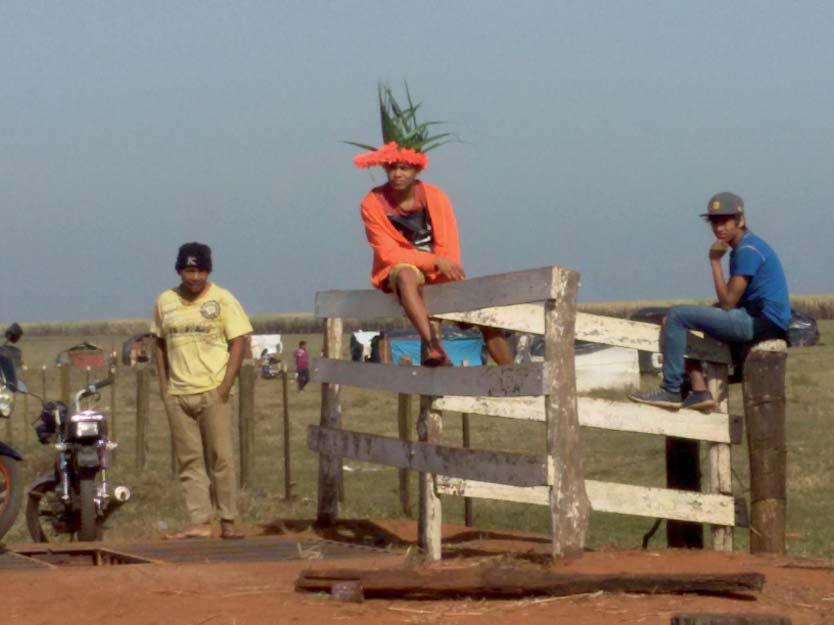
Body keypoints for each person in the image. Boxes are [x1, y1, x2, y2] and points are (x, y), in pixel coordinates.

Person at [349, 83, 513, 366]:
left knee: (484, 318)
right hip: (401, 271)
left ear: (416, 169)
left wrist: (441, 266)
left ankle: (515, 376)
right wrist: (434, 261)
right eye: (392, 168)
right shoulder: (372, 203)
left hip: (440, 272)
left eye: (404, 168)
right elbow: (388, 254)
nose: (397, 174)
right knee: (406, 275)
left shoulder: (436, 198)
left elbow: (449, 250)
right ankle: (432, 343)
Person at [629, 192, 790, 410]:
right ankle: (698, 389)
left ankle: (671, 390)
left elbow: (728, 302)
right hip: (760, 320)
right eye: (714, 222)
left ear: (740, 221)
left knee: (677, 315)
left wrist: (714, 261)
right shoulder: (746, 248)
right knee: (677, 322)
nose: (718, 228)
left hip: (759, 322)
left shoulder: (748, 250)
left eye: (724, 221)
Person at [151, 242, 253, 539]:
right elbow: (157, 342)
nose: (195, 277)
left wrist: (225, 387)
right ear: (180, 270)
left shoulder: (223, 299)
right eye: (189, 270)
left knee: (221, 457)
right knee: (189, 460)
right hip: (178, 393)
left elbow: (239, 340)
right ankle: (199, 520)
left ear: (209, 271)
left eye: (200, 270)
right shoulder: (165, 301)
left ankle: (229, 519)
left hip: (212, 391)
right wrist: (164, 385)